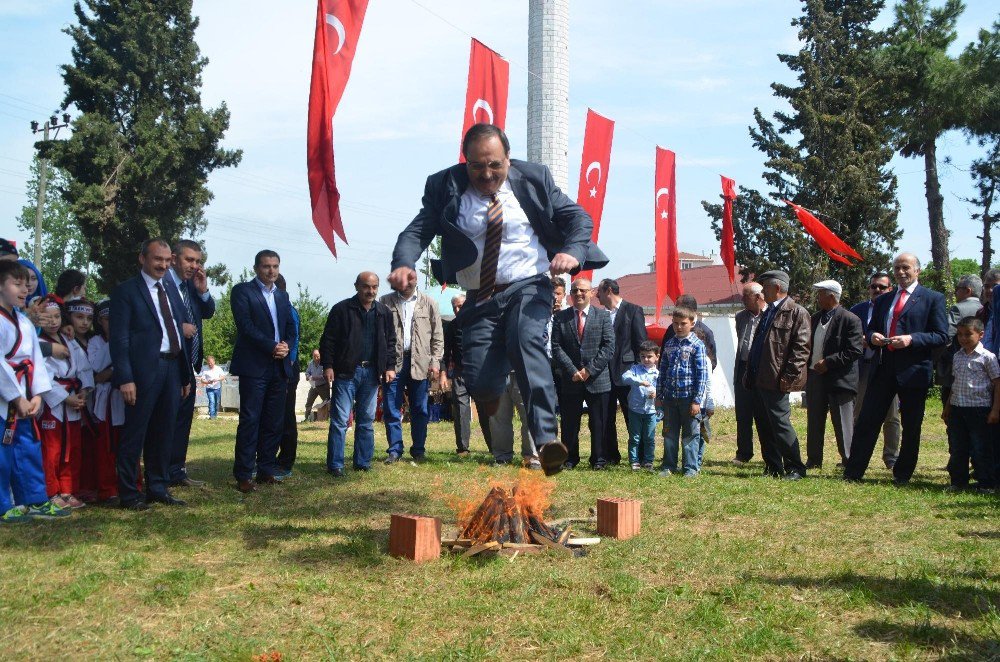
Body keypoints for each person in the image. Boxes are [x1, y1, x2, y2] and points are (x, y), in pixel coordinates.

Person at [388, 123, 609, 475]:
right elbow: (418, 229)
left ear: (508, 158)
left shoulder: (534, 177)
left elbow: (577, 217)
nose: (487, 175)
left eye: (495, 165)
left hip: (528, 286)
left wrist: (572, 251)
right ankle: (491, 396)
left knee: (526, 342)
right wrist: (403, 262)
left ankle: (546, 442)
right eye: (477, 167)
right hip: (480, 295)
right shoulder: (444, 185)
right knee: (482, 380)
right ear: (466, 162)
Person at [845, 253, 947, 485]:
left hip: (914, 370)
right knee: (868, 420)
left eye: (905, 267)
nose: (901, 272)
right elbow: (869, 330)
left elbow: (941, 336)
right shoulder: (883, 300)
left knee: (911, 425)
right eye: (897, 268)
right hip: (883, 368)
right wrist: (874, 337)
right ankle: (854, 471)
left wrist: (911, 339)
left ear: (917, 270)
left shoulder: (933, 298)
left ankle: (903, 473)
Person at [110, 239, 193, 510]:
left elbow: (178, 332)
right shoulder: (126, 291)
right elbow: (119, 339)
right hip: (143, 371)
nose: (163, 265)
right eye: (158, 259)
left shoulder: (170, 288)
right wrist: (125, 378)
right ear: (142, 258)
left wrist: (183, 375)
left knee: (165, 430)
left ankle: (158, 487)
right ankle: (129, 494)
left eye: (168, 260)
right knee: (135, 432)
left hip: (171, 367)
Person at [0, 261, 69, 522]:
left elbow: (36, 360)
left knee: (28, 447)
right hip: (6, 398)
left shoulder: (23, 321)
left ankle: (34, 499)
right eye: (16, 284)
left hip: (26, 396)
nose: (25, 289)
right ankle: (3, 505)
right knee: (2, 452)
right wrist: (16, 398)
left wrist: (38, 394)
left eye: (27, 284)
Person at [229, 250, 295, 492]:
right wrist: (272, 346)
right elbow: (245, 326)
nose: (271, 271)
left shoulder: (282, 295)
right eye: (266, 266)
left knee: (274, 421)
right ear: (256, 268)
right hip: (254, 365)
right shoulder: (242, 291)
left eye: (275, 266)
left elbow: (289, 326)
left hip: (279, 366)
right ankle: (244, 474)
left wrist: (286, 345)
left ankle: (266, 469)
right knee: (251, 420)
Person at [319, 272, 396, 477]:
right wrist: (328, 366)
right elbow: (328, 341)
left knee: (366, 420)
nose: (370, 291)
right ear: (356, 286)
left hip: (372, 373)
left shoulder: (383, 312)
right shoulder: (341, 309)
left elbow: (390, 343)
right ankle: (335, 464)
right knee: (340, 420)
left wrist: (390, 366)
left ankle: (362, 462)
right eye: (366, 287)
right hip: (345, 373)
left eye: (374, 287)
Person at [744, 270, 810, 480]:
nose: (762, 293)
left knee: (780, 424)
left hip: (777, 380)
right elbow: (758, 345)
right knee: (764, 424)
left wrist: (787, 378)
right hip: (759, 378)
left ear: (777, 288)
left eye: (766, 288)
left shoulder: (797, 312)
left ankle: (795, 468)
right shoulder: (769, 311)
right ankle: (773, 467)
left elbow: (801, 349)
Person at [551, 277, 615, 469]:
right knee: (570, 423)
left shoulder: (603, 316)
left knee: (599, 423)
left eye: (583, 290)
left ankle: (599, 459)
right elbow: (556, 347)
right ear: (570, 294)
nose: (579, 293)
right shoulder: (561, 317)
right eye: (575, 290)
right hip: (571, 379)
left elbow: (609, 346)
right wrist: (573, 370)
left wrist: (589, 370)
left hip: (597, 379)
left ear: (592, 293)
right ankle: (570, 459)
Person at [38, 295, 93, 510]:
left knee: (73, 448)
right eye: (47, 317)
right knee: (52, 449)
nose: (52, 321)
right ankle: (51, 492)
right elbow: (41, 376)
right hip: (53, 406)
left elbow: (85, 368)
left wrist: (84, 393)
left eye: (56, 316)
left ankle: (69, 490)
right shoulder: (40, 343)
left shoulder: (69, 340)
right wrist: (65, 397)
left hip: (74, 400)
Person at [168, 239, 215, 488]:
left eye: (198, 261)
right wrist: (178, 328)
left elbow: (208, 311)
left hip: (190, 364)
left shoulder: (191, 287)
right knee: (166, 421)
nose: (194, 266)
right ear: (174, 258)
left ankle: (177, 470)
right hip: (169, 364)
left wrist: (202, 290)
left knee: (183, 421)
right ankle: (160, 473)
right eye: (189, 260)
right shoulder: (164, 285)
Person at [379, 280, 443, 463]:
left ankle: (419, 450)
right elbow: (379, 335)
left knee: (420, 409)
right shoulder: (385, 301)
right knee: (391, 407)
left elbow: (438, 336)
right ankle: (395, 450)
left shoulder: (429, 303)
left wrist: (435, 361)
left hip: (421, 362)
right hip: (393, 362)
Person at [804, 280, 863, 469]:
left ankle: (849, 461)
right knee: (814, 420)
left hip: (840, 380)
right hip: (815, 377)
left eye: (820, 294)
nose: (817, 298)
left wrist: (829, 362)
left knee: (843, 423)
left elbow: (854, 350)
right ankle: (814, 460)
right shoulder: (814, 318)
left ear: (831, 296)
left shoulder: (850, 319)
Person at [849, 273, 901, 469]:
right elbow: (848, 335)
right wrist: (861, 340)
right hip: (863, 366)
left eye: (882, 287)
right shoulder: (857, 310)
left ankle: (891, 458)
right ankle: (855, 455)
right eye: (873, 287)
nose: (877, 290)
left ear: (890, 289)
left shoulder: (894, 309)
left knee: (891, 416)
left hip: (887, 366)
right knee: (859, 413)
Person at [942, 317, 999, 493]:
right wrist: (948, 407)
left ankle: (985, 483)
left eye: (968, 334)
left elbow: (997, 383)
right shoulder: (957, 356)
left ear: (980, 335)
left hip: (979, 408)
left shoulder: (987, 357)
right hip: (958, 408)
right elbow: (954, 383)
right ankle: (958, 481)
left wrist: (995, 409)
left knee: (980, 447)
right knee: (958, 446)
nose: (963, 338)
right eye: (960, 334)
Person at [596, 277, 648, 466]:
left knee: (633, 416)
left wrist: (637, 373)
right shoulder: (600, 314)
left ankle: (640, 457)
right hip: (604, 375)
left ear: (608, 290)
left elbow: (641, 343)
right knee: (606, 417)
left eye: (599, 292)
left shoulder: (633, 311)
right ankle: (611, 455)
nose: (596, 296)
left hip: (627, 375)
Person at [656, 307, 709, 477]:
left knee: (690, 435)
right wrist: (659, 395)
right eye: (675, 323)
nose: (679, 327)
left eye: (683, 324)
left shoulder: (697, 345)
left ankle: (690, 467)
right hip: (670, 397)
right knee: (669, 434)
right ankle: (669, 465)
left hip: (689, 399)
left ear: (692, 323)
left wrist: (697, 401)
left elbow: (702, 375)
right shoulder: (669, 344)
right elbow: (662, 370)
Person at [87, 299, 122, 503]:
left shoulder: (127, 337)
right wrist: (113, 342)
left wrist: (112, 371)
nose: (112, 323)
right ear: (100, 320)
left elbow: (131, 363)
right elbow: (97, 368)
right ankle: (108, 490)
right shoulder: (95, 342)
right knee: (106, 446)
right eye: (108, 319)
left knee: (127, 444)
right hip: (105, 399)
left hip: (124, 395)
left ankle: (130, 484)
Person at [937, 274, 985, 404]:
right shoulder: (984, 308)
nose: (955, 292)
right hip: (980, 367)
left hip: (956, 366)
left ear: (967, 290)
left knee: (950, 402)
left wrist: (942, 358)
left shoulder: (958, 308)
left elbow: (947, 335)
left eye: (958, 288)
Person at [733, 282, 765, 465]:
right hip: (743, 369)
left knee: (763, 413)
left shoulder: (769, 315)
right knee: (743, 413)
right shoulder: (740, 317)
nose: (742, 300)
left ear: (758, 297)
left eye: (746, 296)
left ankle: (769, 452)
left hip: (762, 369)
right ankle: (744, 453)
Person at [274, 274, 301, 477]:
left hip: (287, 369)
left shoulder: (289, 311)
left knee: (285, 416)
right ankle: (269, 457)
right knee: (274, 415)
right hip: (275, 368)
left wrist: (288, 366)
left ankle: (285, 461)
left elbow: (293, 341)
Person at [621, 340, 660, 471]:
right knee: (635, 437)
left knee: (649, 437)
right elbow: (625, 378)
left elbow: (662, 389)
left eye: (649, 356)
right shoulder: (635, 369)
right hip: (635, 409)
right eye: (643, 356)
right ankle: (634, 460)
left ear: (656, 357)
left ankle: (648, 460)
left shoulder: (658, 374)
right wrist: (640, 382)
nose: (646, 359)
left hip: (651, 411)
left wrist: (656, 393)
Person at [441, 295, 472, 455]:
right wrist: (444, 373)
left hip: (479, 372)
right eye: (455, 307)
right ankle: (463, 447)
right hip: (460, 372)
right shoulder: (452, 326)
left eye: (460, 306)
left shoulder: (479, 320)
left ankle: (493, 447)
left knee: (487, 409)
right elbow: (446, 352)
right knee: (460, 409)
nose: (457, 310)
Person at [659, 294, 717, 372]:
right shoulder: (671, 329)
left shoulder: (706, 332)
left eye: (677, 306)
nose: (679, 327)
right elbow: (663, 358)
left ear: (688, 309)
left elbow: (712, 362)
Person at [303, 349, 329, 422]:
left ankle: (328, 418)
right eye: (314, 356)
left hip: (323, 386)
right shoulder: (311, 363)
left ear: (320, 355)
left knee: (327, 402)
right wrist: (308, 376)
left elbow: (325, 375)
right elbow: (307, 372)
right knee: (309, 403)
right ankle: (307, 418)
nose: (316, 358)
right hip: (314, 386)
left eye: (317, 356)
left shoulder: (324, 363)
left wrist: (314, 377)